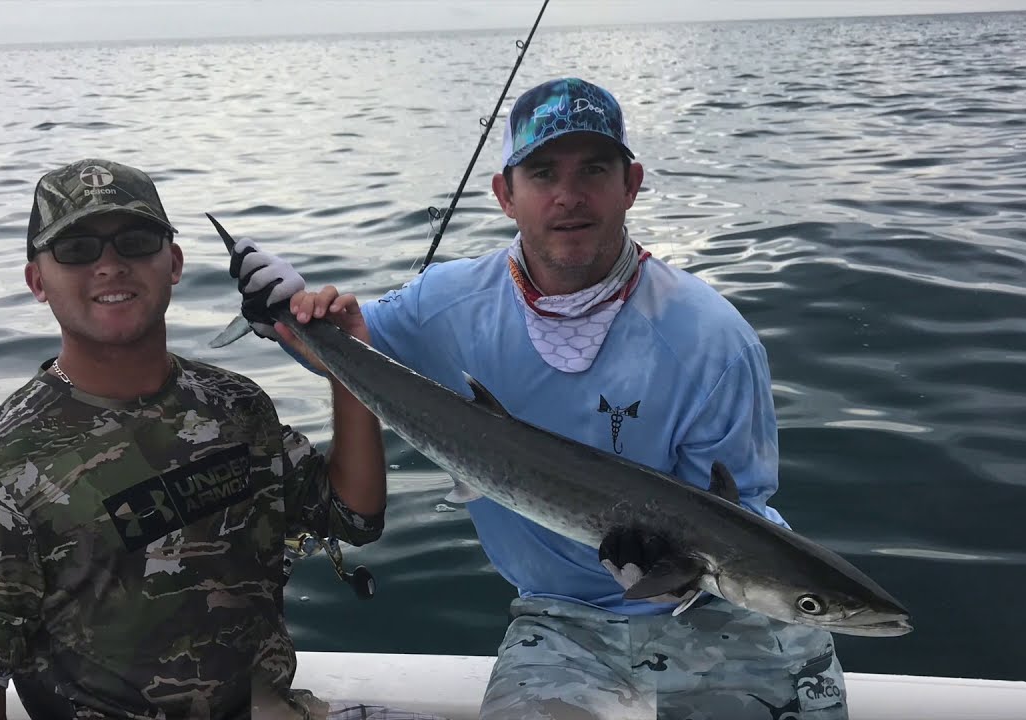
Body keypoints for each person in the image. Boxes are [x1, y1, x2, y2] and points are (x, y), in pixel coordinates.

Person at [234, 78, 849, 719]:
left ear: (630, 184)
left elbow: (736, 520)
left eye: (594, 169)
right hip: (561, 620)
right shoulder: (444, 304)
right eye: (543, 172)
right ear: (505, 194)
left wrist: (672, 573)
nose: (569, 195)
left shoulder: (714, 340)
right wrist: (281, 313)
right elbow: (351, 352)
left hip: (732, 612)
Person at [0, 158, 436, 720]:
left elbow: (353, 516)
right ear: (37, 281)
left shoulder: (236, 404)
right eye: (76, 249)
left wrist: (347, 358)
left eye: (135, 240)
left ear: (173, 263)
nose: (110, 265)